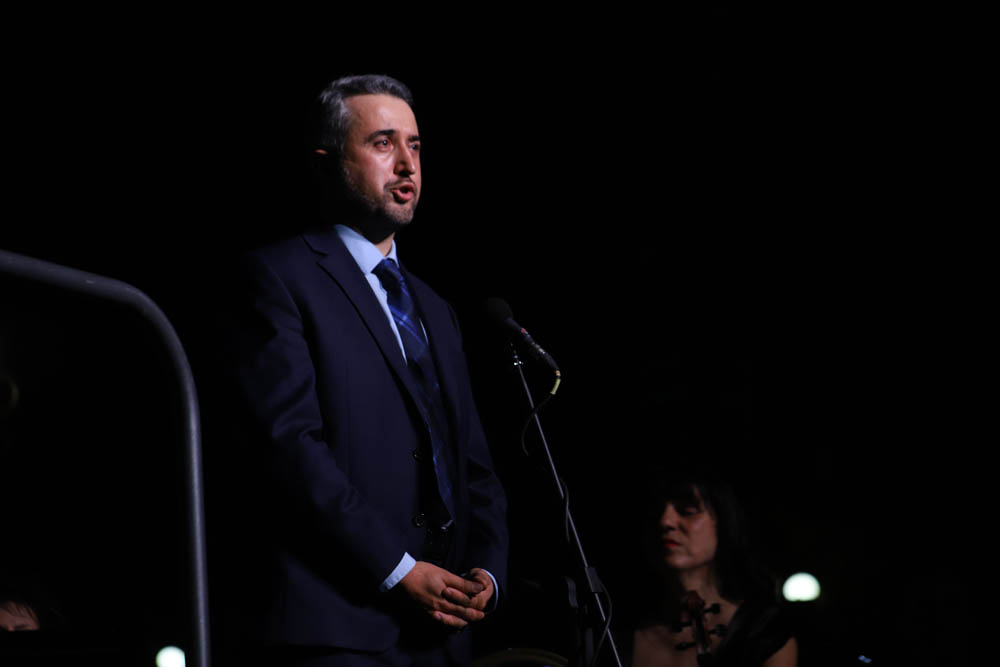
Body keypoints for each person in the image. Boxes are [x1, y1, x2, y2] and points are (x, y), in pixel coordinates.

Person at [227, 74, 509, 666]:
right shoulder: (278, 279)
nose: (407, 165)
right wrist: (398, 569)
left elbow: (474, 466)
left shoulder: (436, 309)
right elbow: (289, 449)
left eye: (415, 145)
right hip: (342, 631)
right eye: (383, 143)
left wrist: (486, 571)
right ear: (327, 163)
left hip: (445, 635)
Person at [631, 474, 796, 667]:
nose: (665, 521)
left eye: (687, 511)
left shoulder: (763, 632)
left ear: (722, 522)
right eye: (658, 511)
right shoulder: (619, 631)